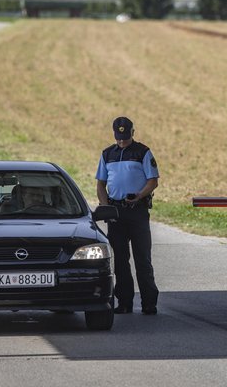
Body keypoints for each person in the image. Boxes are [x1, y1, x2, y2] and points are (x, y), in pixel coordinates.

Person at [96, 117, 159, 315]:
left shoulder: (143, 152)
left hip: (137, 211)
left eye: (125, 137)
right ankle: (124, 302)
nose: (122, 141)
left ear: (133, 132)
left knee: (143, 259)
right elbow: (100, 184)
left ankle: (149, 303)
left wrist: (139, 195)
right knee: (120, 261)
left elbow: (153, 181)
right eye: (118, 137)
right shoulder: (107, 154)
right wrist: (105, 207)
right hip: (116, 213)